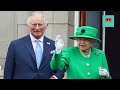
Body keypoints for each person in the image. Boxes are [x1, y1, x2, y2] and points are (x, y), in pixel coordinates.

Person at [4, 11, 65, 79]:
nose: (37, 27)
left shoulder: (54, 45)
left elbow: (60, 67)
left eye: (40, 24)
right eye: (34, 24)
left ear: (45, 26)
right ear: (28, 25)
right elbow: (8, 71)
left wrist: (55, 77)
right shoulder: (15, 45)